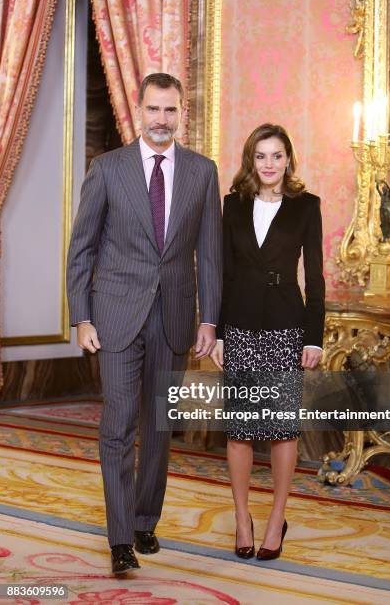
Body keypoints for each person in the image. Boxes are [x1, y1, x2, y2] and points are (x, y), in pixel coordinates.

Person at [67, 73, 222, 574]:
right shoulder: (107, 168)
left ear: (182, 113)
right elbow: (82, 248)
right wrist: (82, 316)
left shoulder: (202, 171)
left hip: (175, 316)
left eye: (170, 110)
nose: (161, 120)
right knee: (117, 425)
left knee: (159, 426)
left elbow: (211, 255)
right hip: (114, 315)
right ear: (139, 110)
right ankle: (118, 541)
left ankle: (144, 520)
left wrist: (211, 320)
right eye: (154, 110)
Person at [210, 123, 325, 561]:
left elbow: (314, 278)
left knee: (280, 429)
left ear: (289, 160)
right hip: (239, 326)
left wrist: (313, 338)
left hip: (285, 327)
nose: (270, 164)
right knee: (239, 431)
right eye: (261, 156)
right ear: (250, 161)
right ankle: (243, 519)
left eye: (277, 156)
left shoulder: (306, 206)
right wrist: (218, 332)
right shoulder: (233, 206)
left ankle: (277, 518)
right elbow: (223, 273)